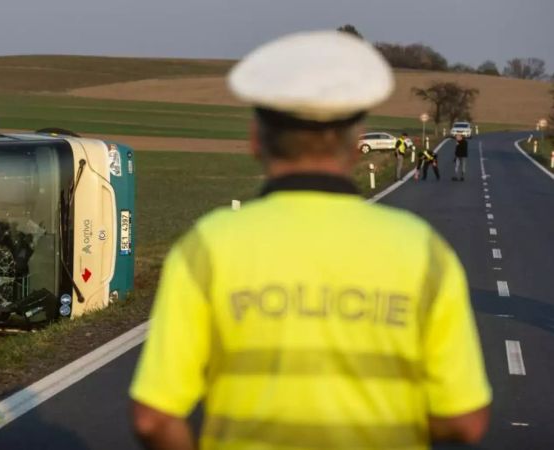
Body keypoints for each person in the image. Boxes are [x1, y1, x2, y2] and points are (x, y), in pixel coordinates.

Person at [130, 30, 490, 450]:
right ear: (357, 148)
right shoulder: (424, 252)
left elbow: (154, 419)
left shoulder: (207, 247)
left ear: (254, 142)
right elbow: (466, 422)